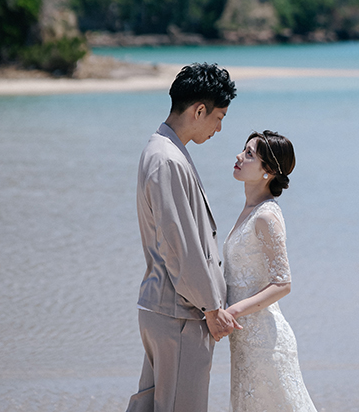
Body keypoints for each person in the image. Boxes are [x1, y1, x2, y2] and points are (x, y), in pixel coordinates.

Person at [126, 62, 240, 412]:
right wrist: (210, 307)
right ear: (199, 110)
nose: (219, 128)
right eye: (218, 117)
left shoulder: (162, 150)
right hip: (180, 311)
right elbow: (180, 246)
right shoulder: (167, 159)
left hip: (165, 308)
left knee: (154, 404)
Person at [223, 130, 318, 412]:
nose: (239, 156)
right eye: (244, 150)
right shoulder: (250, 209)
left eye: (249, 154)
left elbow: (283, 283)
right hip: (245, 339)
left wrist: (232, 312)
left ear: (269, 171)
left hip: (265, 343)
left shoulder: (265, 215)